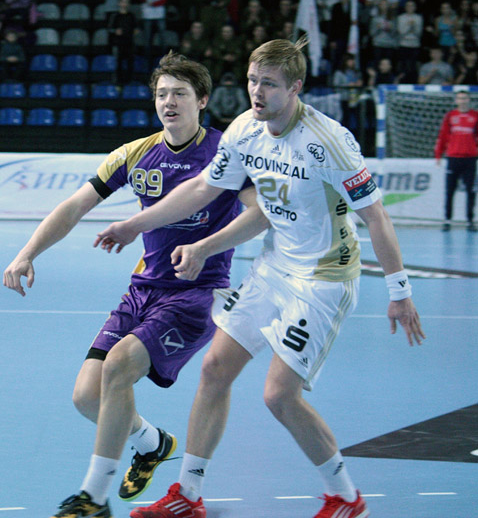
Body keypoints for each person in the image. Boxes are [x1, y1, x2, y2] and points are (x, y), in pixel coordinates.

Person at [94, 36, 425, 518]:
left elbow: (376, 216)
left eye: (268, 83)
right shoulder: (245, 130)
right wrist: (138, 226)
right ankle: (188, 494)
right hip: (274, 266)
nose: (256, 91)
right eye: (252, 80)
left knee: (278, 396)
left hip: (323, 278)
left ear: (295, 88)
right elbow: (205, 189)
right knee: (214, 369)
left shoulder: (328, 141)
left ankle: (347, 498)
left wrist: (400, 292)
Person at [3, 52, 262, 518]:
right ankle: (152, 443)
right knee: (88, 396)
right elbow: (74, 206)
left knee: (119, 365)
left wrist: (207, 247)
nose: (169, 102)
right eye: (161, 94)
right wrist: (27, 253)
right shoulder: (136, 153)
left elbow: (259, 213)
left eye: (180, 93)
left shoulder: (225, 155)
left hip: (197, 294)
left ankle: (93, 497)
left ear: (202, 100)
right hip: (142, 290)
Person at [434, 89, 478, 231]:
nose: (462, 101)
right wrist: (438, 155)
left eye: (465, 98)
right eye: (460, 98)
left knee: (471, 190)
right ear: (456, 100)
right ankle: (447, 220)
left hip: (470, 159)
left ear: (469, 100)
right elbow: (443, 136)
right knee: (449, 190)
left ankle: (470, 221)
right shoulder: (450, 116)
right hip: (453, 158)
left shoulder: (475, 116)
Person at [107, 0, 138, 85]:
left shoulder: (132, 16)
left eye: (126, 2)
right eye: (123, 2)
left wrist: (135, 31)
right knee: (118, 63)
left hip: (129, 42)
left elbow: (136, 27)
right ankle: (118, 82)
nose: (124, 4)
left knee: (130, 63)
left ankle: (129, 82)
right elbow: (109, 29)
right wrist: (115, 31)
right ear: (119, 3)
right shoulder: (115, 16)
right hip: (118, 43)